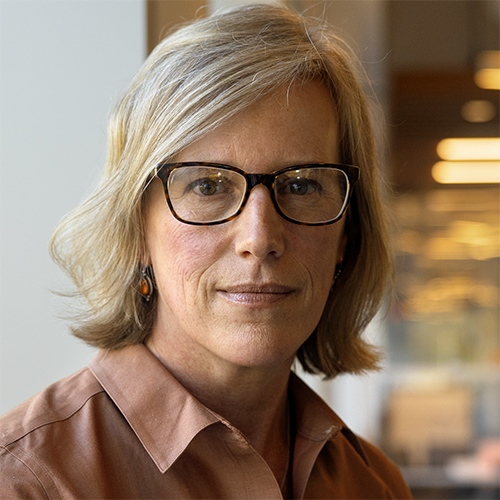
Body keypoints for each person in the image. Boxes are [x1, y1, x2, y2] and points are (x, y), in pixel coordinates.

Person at [0, 4, 412, 499]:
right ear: (136, 230)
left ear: (347, 234)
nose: (259, 238)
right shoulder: (27, 481)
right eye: (208, 185)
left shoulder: (373, 485)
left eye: (302, 186)